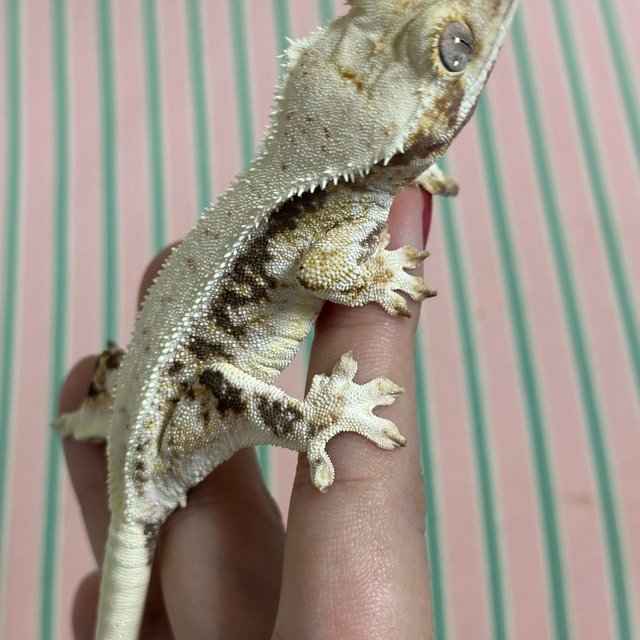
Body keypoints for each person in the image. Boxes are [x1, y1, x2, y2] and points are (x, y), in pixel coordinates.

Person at [59, 185, 435, 639]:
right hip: (161, 439)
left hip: (152, 426)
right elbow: (317, 271)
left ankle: (102, 411)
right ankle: (311, 423)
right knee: (217, 387)